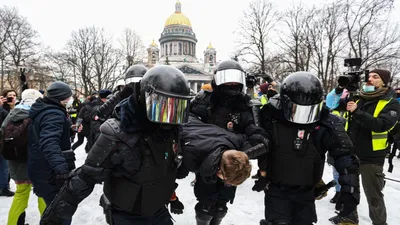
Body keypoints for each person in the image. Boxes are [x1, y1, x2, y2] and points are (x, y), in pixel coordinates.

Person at [40, 66, 192, 225]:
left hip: (158, 210)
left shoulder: (173, 131)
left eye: (176, 108)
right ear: (145, 98)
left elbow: (163, 170)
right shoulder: (117, 133)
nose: (168, 117)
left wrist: (172, 196)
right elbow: (85, 177)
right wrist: (53, 218)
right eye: (163, 106)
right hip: (126, 215)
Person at [257, 72, 360, 225]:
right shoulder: (270, 117)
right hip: (277, 187)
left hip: (306, 190)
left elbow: (345, 157)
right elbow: (255, 141)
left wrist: (349, 192)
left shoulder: (326, 122)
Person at [190, 59, 269, 225]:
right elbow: (189, 128)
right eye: (227, 79)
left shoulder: (246, 106)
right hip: (207, 163)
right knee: (205, 207)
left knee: (221, 207)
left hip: (232, 167)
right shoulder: (203, 101)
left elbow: (259, 137)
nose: (231, 83)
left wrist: (238, 155)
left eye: (235, 79)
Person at [343, 69, 399, 225]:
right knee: (350, 190)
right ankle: (349, 217)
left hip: (372, 157)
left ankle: (380, 223)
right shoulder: (360, 98)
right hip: (352, 153)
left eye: (375, 77)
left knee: (373, 196)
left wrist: (357, 112)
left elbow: (381, 125)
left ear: (384, 82)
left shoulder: (391, 102)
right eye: (369, 77)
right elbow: (336, 109)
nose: (370, 80)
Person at [27, 81, 75, 225]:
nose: (70, 100)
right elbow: (49, 142)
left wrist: (68, 130)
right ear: (60, 98)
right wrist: (61, 169)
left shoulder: (46, 110)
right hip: (49, 171)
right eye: (68, 97)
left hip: (41, 167)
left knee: (54, 211)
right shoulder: (53, 113)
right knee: (61, 213)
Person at [2, 89, 46, 225]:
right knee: (43, 194)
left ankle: (12, 223)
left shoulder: (12, 113)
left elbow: (3, 133)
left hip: (16, 161)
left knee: (20, 195)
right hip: (36, 161)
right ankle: (47, 222)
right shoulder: (38, 114)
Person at [0, 89, 18, 197]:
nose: (12, 97)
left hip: (11, 141)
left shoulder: (19, 107)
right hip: (3, 141)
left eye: (14, 95)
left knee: (6, 165)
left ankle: (4, 184)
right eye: (9, 96)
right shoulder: (3, 109)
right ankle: (3, 187)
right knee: (4, 165)